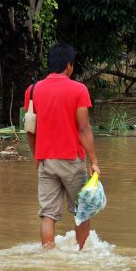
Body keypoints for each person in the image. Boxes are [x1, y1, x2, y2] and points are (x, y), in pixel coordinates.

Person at [24, 42, 100, 250]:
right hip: (72, 160)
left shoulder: (32, 91)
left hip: (46, 160)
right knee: (80, 212)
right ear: (69, 66)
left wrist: (37, 158)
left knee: (48, 215)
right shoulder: (79, 90)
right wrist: (94, 161)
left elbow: (30, 130)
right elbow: (84, 128)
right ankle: (82, 254)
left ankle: (48, 257)